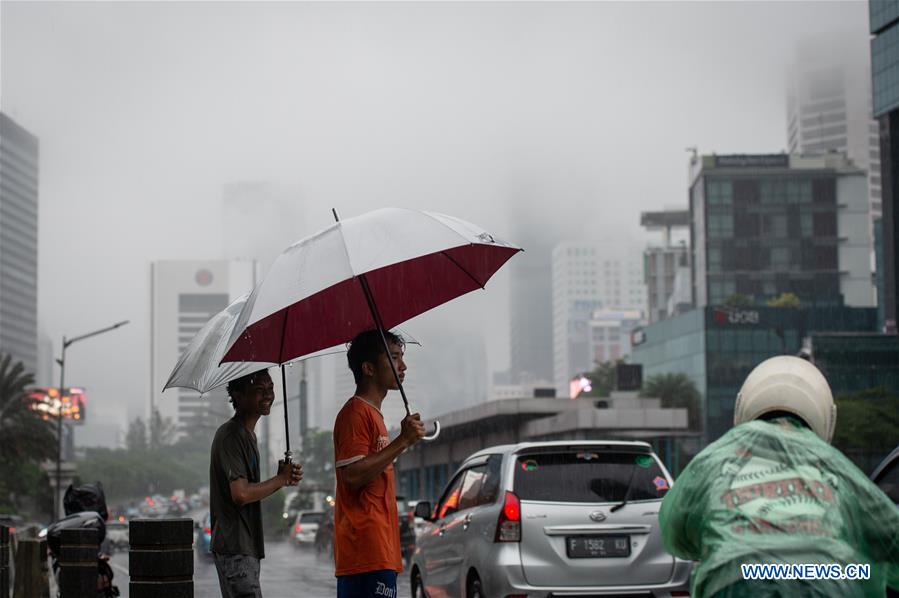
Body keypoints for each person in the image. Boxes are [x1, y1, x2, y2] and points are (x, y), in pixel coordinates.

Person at [660, 356, 899, 597]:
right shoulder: (835, 467)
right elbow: (891, 538)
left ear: (741, 407)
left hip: (732, 581)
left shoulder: (715, 460)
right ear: (828, 418)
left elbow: (674, 532)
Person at [332, 330, 427, 598]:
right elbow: (351, 475)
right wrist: (402, 442)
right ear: (368, 368)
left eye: (402, 358)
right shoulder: (355, 415)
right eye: (394, 357)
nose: (403, 366)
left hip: (380, 550)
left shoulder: (374, 415)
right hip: (365, 550)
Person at [209, 369, 303, 598]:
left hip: (245, 549)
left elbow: (250, 491)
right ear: (238, 396)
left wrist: (281, 479)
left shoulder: (248, 435)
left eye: (270, 389)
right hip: (235, 549)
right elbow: (240, 494)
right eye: (259, 391)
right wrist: (280, 478)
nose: (268, 395)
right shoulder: (232, 435)